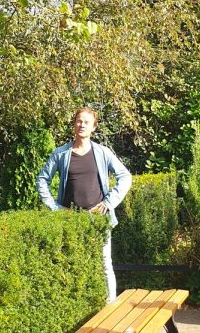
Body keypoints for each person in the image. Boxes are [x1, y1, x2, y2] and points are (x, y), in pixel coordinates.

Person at [35, 107, 132, 303]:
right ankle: (75, 306)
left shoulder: (103, 153)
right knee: (70, 263)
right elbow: (42, 180)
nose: (82, 125)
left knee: (105, 264)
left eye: (87, 122)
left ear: (93, 127)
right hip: (69, 219)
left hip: (98, 218)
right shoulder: (61, 154)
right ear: (74, 124)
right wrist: (55, 208)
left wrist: (109, 202)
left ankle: (110, 309)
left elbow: (125, 176)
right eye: (79, 121)